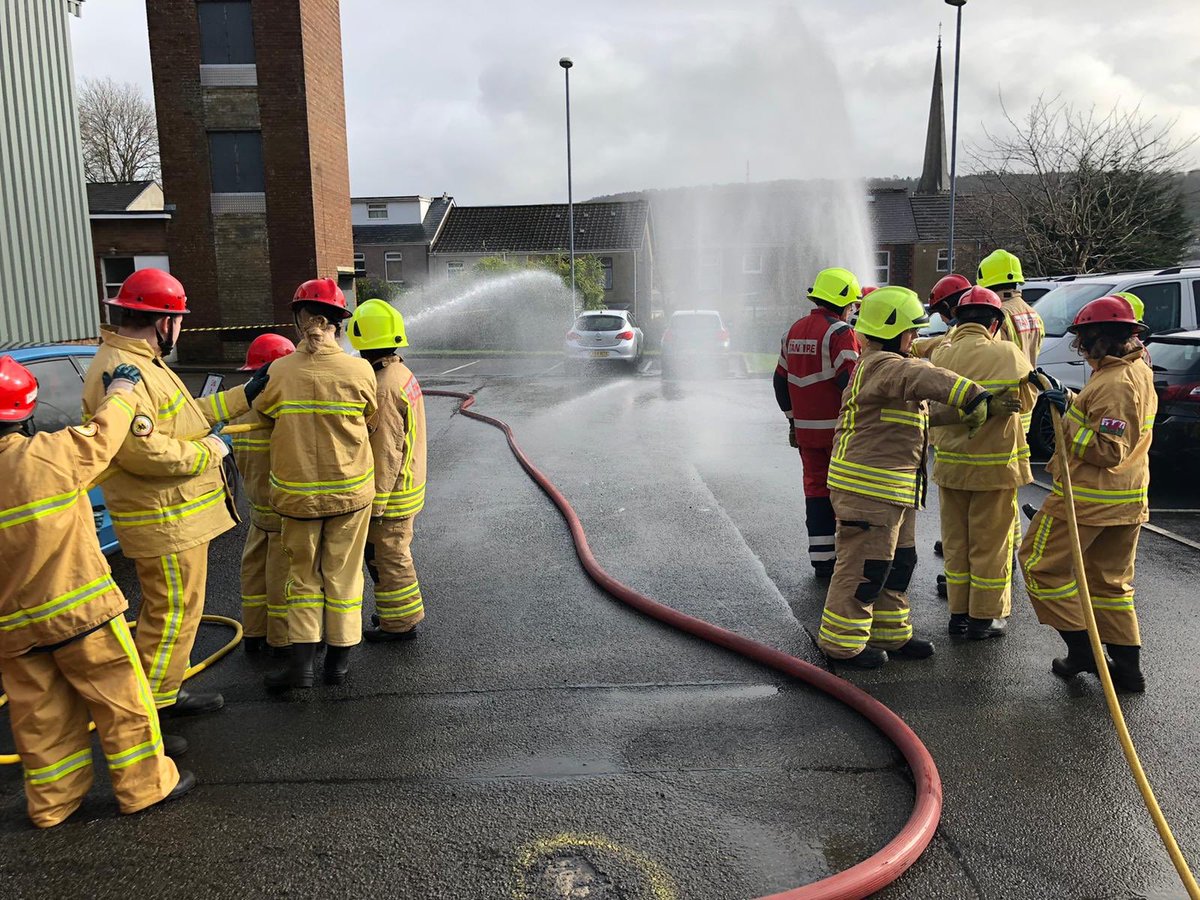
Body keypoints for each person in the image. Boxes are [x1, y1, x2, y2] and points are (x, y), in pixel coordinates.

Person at [0, 356, 193, 828]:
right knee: (122, 700)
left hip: (11, 628)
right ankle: (146, 788)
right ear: (24, 411)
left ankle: (52, 805)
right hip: (81, 613)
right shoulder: (47, 454)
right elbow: (105, 434)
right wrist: (123, 390)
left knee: (38, 718)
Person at [81, 269, 271, 714]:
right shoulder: (119, 370)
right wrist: (212, 450)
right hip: (163, 519)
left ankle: (165, 691)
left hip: (176, 517)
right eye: (179, 320)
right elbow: (144, 452)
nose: (180, 328)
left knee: (177, 611)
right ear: (164, 322)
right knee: (170, 614)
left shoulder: (143, 363)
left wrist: (247, 393)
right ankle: (152, 714)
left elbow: (185, 418)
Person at [817, 286, 1016, 668]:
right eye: (913, 330)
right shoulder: (883, 366)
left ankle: (891, 633)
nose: (916, 338)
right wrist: (974, 394)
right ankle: (842, 645)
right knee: (863, 568)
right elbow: (921, 376)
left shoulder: (890, 374)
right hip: (868, 492)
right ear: (895, 330)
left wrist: (977, 410)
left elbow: (923, 414)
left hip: (895, 491)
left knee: (898, 563)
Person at [1019, 296, 1156, 692]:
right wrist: (1070, 397)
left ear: (1104, 339)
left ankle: (1084, 652)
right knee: (1109, 583)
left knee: (1040, 566)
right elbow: (1113, 427)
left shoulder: (1116, 383)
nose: (1081, 349)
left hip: (1085, 500)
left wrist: (1063, 423)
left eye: (1085, 341)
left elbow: (1108, 450)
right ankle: (1127, 671)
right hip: (1125, 500)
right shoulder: (1134, 369)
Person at [256, 279, 377, 689]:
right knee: (343, 577)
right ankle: (338, 667)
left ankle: (301, 668)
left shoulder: (278, 372)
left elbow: (263, 415)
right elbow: (371, 419)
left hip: (295, 500)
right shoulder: (359, 369)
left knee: (303, 578)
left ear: (298, 320)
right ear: (341, 323)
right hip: (350, 496)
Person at [929, 287, 1033, 639]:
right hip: (996, 469)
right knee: (991, 546)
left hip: (951, 468)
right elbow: (1029, 402)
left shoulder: (941, 356)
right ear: (994, 323)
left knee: (956, 544)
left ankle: (958, 614)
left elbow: (931, 410)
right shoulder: (1008, 353)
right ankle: (984, 619)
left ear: (958, 320)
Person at [347, 299, 429, 641]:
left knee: (389, 557)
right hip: (409, 483)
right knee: (394, 553)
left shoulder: (383, 387)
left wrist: (375, 504)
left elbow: (386, 450)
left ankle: (400, 624)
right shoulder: (401, 372)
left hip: (392, 493)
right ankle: (398, 615)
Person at [773, 267, 862, 578]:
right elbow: (849, 380)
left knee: (815, 491)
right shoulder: (840, 332)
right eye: (852, 305)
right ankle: (849, 558)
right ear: (842, 302)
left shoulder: (793, 331)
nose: (852, 311)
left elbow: (779, 382)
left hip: (807, 434)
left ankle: (822, 559)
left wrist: (793, 421)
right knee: (846, 491)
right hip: (841, 433)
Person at [232, 334, 296, 655]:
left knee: (253, 570)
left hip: (256, 506)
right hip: (280, 508)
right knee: (281, 574)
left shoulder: (242, 405)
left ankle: (254, 632)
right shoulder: (275, 405)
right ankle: (283, 641)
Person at [913, 273, 972, 361]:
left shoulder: (957, 335)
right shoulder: (984, 327)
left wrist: (913, 346)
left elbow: (942, 341)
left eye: (939, 312)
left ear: (946, 307)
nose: (941, 319)